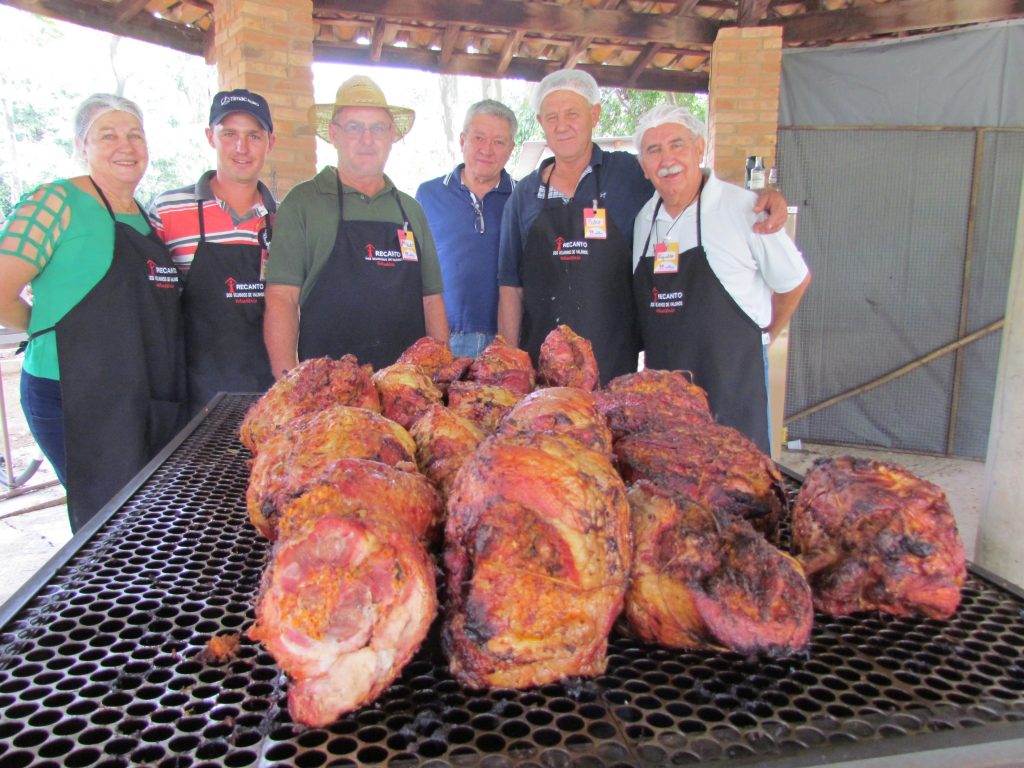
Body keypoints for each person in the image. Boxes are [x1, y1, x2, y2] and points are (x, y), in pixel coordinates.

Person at [497, 69, 789, 384]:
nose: (562, 125)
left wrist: (759, 196)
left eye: (572, 114)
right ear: (540, 123)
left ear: (595, 115)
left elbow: (684, 179)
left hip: (614, 365)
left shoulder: (629, 174)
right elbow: (510, 289)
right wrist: (514, 369)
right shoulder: (524, 196)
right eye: (552, 116)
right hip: (541, 371)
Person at [0, 93, 186, 532]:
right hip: (73, 397)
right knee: (105, 528)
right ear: (82, 145)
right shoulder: (55, 203)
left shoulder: (147, 219)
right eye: (108, 135)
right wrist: (48, 330)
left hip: (138, 398)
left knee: (140, 523)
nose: (126, 145)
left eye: (135, 135)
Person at [632, 104, 811, 452]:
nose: (667, 158)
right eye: (653, 150)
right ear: (643, 166)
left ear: (699, 149)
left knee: (739, 491)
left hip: (733, 388)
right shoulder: (643, 220)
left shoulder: (744, 208)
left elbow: (795, 280)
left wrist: (765, 334)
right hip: (669, 402)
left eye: (677, 144)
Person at [263, 75, 447, 376]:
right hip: (330, 396)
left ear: (391, 136)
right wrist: (288, 384)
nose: (366, 139)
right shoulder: (304, 202)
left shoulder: (410, 209)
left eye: (377, 128)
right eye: (354, 127)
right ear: (334, 134)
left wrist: (441, 379)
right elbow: (282, 297)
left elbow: (431, 299)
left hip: (406, 397)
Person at [149, 89, 276, 414]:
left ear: (270, 143)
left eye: (254, 136)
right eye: (229, 134)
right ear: (210, 137)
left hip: (270, 399)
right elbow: (151, 309)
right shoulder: (168, 210)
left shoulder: (286, 218)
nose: (241, 148)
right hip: (195, 397)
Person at [416, 100, 517, 358]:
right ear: (463, 141)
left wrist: (512, 349)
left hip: (507, 342)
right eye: (479, 138)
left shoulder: (523, 197)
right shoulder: (428, 194)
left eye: (499, 142)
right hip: (445, 341)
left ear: (511, 149)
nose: (487, 149)